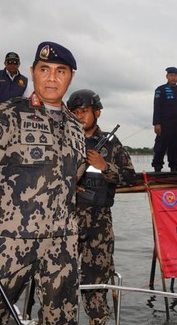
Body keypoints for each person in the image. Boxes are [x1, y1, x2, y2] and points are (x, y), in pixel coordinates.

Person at [0, 41, 86, 324]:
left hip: (62, 242)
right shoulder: (8, 113)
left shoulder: (75, 125)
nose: (51, 77)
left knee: (61, 318)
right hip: (10, 239)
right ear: (32, 72)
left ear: (71, 76)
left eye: (60, 71)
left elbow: (74, 176)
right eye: (44, 69)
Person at [67, 89, 136, 324]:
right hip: (66, 220)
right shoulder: (62, 141)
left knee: (96, 281)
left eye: (84, 111)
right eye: (74, 112)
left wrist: (105, 166)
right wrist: (68, 186)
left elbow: (129, 176)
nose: (79, 117)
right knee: (59, 279)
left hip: (99, 222)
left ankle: (98, 320)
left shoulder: (111, 143)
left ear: (97, 112)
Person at [152, 66, 177, 172]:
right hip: (164, 124)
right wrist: (156, 123)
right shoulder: (161, 89)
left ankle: (174, 169)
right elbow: (157, 107)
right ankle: (157, 168)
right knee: (160, 147)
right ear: (167, 76)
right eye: (171, 75)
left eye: (175, 76)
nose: (173, 78)